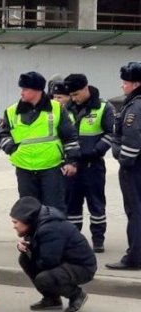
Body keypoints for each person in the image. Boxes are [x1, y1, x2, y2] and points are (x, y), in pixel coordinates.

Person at [0, 71, 80, 212]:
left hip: (51, 168)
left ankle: (54, 235)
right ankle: (32, 235)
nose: (21, 93)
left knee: (54, 209)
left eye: (25, 89)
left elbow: (69, 136)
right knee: (29, 211)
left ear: (37, 91)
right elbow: (2, 135)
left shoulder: (56, 109)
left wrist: (71, 162)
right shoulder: (12, 111)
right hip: (24, 168)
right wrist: (12, 149)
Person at [10, 196, 97, 312]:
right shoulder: (38, 223)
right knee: (25, 259)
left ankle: (77, 295)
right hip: (66, 261)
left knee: (44, 278)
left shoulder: (50, 228)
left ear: (27, 220)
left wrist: (31, 250)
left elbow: (48, 262)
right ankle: (52, 299)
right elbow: (37, 245)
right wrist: (25, 247)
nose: (14, 226)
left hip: (82, 267)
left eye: (16, 222)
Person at [63, 74, 115, 253]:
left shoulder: (103, 107)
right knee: (72, 207)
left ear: (86, 88)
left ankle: (98, 240)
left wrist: (97, 150)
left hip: (93, 165)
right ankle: (74, 240)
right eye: (71, 95)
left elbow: (112, 133)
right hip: (71, 165)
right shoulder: (66, 109)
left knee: (96, 205)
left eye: (77, 94)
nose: (74, 98)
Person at [106, 62, 141, 270]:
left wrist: (122, 159)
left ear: (135, 84)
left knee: (135, 211)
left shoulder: (134, 107)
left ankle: (134, 257)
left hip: (134, 168)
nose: (122, 86)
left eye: (125, 82)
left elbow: (132, 139)